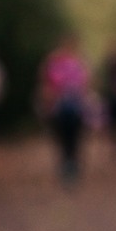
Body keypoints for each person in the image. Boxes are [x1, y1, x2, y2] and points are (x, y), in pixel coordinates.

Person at [36, 34, 91, 183]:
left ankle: (71, 163)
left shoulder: (79, 62)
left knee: (74, 136)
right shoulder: (54, 62)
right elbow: (46, 82)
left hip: (75, 107)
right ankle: (66, 162)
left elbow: (86, 83)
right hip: (58, 106)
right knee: (62, 136)